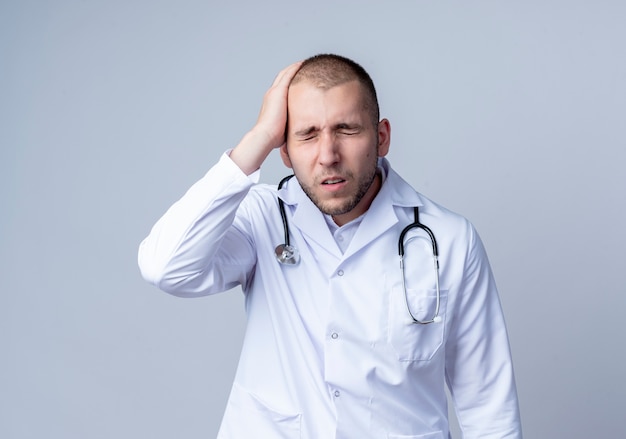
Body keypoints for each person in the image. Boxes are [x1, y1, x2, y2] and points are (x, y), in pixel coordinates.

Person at [138, 54, 522, 438]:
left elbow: (488, 403)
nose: (328, 156)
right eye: (306, 135)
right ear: (283, 151)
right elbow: (165, 266)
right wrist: (257, 138)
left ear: (382, 137)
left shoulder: (450, 240)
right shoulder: (262, 219)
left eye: (347, 130)